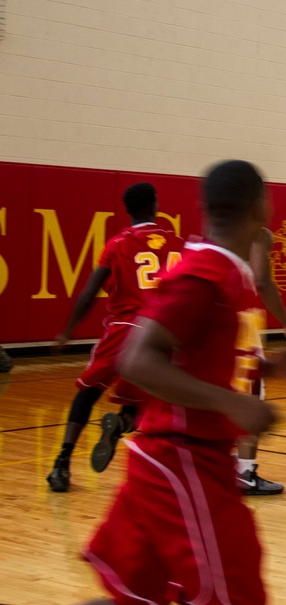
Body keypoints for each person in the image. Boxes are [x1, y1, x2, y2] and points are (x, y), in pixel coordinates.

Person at [83, 159, 286, 604]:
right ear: (262, 206)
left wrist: (272, 367)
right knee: (235, 591)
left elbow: (210, 359)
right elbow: (136, 359)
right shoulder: (204, 272)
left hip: (188, 460)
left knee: (137, 597)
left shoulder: (231, 273)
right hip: (180, 458)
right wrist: (231, 403)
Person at [46, 182, 186, 493]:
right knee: (146, 398)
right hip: (159, 333)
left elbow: (89, 293)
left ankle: (62, 463)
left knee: (88, 391)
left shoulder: (117, 243)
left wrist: (67, 331)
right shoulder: (177, 243)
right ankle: (121, 424)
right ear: (154, 206)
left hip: (124, 330)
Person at [233, 226, 286, 495]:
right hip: (241, 327)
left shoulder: (211, 238)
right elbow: (262, 281)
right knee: (252, 397)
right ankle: (245, 473)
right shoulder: (258, 234)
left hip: (214, 325)